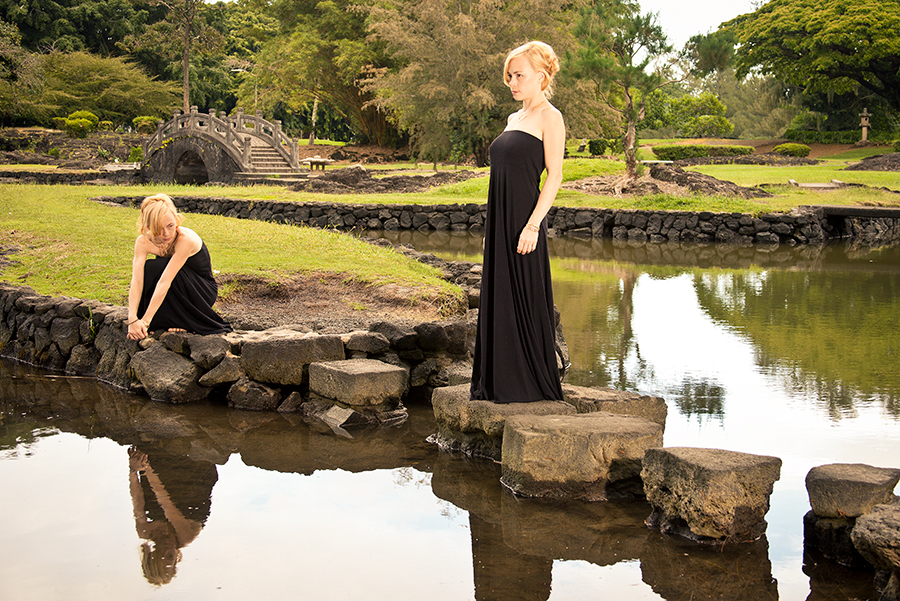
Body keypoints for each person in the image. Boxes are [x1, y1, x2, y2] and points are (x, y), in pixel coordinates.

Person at [470, 41, 566, 403]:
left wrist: (533, 225)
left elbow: (555, 176)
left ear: (540, 77)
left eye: (519, 75)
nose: (512, 82)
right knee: (500, 298)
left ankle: (528, 385)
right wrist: (491, 229)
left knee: (525, 298)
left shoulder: (550, 117)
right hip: (500, 223)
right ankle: (499, 382)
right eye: (509, 76)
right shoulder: (514, 119)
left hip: (526, 223)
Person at [126, 194, 232, 340]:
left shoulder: (185, 240)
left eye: (170, 226)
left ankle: (184, 320)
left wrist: (145, 322)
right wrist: (132, 319)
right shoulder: (143, 242)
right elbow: (137, 281)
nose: (166, 233)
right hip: (174, 288)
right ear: (149, 227)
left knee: (161, 268)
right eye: (159, 229)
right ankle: (168, 319)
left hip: (200, 291)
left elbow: (165, 281)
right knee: (149, 268)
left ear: (176, 220)